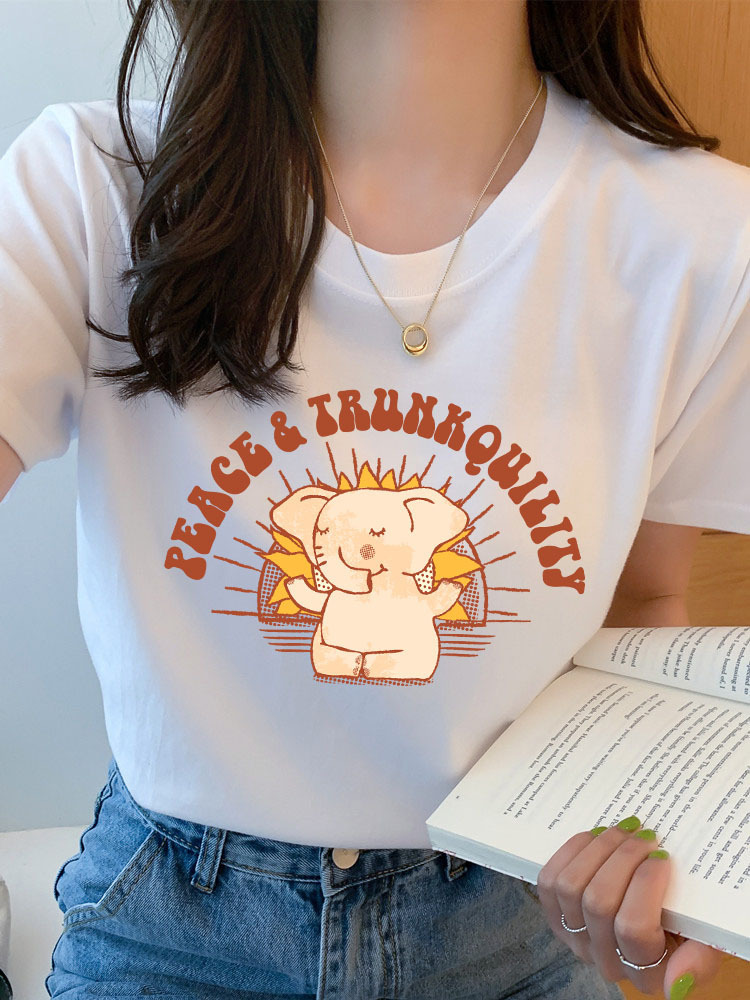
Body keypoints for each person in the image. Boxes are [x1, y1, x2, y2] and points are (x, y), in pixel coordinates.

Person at [1, 1, 748, 998]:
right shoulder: (95, 186)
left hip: (521, 914)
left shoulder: (701, 238)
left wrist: (657, 857)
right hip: (173, 922)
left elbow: (646, 606)